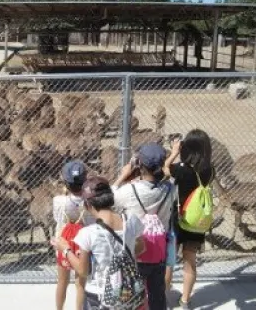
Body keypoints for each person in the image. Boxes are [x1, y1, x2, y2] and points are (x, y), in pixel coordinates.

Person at [51, 176, 146, 310]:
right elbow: (142, 247)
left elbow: (83, 271)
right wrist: (120, 252)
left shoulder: (88, 233)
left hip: (99, 294)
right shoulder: (131, 220)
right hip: (128, 289)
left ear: (87, 204)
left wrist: (65, 250)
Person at [111, 142, 177, 310]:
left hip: (135, 251)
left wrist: (123, 177)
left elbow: (110, 199)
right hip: (158, 251)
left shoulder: (129, 191)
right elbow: (165, 178)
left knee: (133, 295)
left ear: (140, 165)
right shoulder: (169, 190)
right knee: (157, 294)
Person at [161, 129, 215, 309]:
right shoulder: (209, 170)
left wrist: (174, 152)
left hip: (179, 219)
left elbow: (165, 169)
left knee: (170, 260)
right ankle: (185, 301)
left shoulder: (183, 169)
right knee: (190, 260)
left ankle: (163, 296)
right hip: (197, 222)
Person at [53, 161, 93, 310]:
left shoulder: (58, 201)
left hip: (63, 242)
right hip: (83, 244)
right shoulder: (89, 201)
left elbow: (58, 219)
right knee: (80, 282)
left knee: (62, 281)